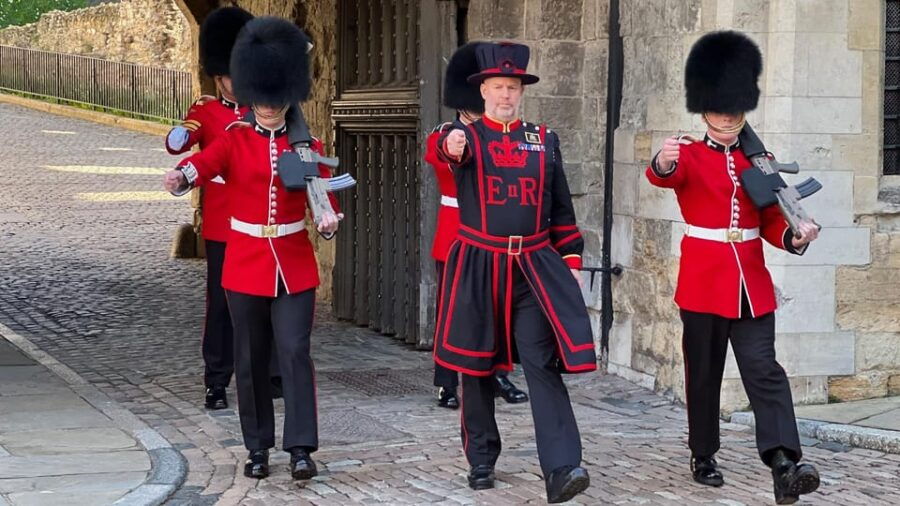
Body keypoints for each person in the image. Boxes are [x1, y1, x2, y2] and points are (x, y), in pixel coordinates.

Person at [646, 30, 821, 504]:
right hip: (703, 283)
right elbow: (665, 175)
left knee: (765, 369)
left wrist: (794, 235)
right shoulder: (689, 151)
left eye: (735, 108)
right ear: (704, 109)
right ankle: (703, 452)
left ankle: (785, 461)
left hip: (751, 283)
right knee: (703, 373)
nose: (727, 116)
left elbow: (767, 219)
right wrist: (661, 161)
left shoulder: (756, 157)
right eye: (720, 108)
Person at [163, 17, 340, 481]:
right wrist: (181, 176)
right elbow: (203, 164)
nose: (266, 104)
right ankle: (257, 446)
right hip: (244, 262)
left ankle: (301, 446)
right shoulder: (235, 138)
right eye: (259, 94)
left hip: (293, 265)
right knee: (249, 358)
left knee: (294, 350)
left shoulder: (307, 144)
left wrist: (327, 218)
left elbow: (323, 195)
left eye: (273, 94)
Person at [434, 41, 595, 504]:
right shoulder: (464, 136)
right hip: (478, 265)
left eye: (513, 88)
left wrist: (571, 260)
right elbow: (446, 151)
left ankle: (563, 466)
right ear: (483, 90)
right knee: (475, 365)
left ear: (520, 92)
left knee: (541, 362)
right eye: (498, 87)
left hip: (530, 266)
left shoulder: (544, 140)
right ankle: (482, 458)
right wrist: (453, 142)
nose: (506, 95)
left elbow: (561, 209)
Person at [426, 41, 528, 411]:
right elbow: (441, 152)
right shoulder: (446, 132)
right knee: (450, 311)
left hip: (495, 235)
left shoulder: (507, 134)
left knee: (498, 307)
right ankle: (445, 381)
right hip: (457, 234)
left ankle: (497, 372)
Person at [164, 6, 252, 410]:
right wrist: (180, 135)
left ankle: (267, 375)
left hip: (258, 220)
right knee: (220, 306)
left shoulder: (265, 110)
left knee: (262, 303)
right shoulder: (207, 108)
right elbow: (185, 138)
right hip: (221, 223)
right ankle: (216, 379)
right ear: (220, 77)